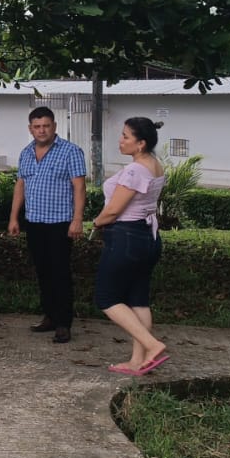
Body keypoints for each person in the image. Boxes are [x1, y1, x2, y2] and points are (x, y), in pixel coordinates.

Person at [92, 117, 169, 375]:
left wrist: (96, 222)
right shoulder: (155, 165)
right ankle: (138, 361)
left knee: (107, 298)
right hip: (148, 237)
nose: (121, 141)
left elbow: (113, 211)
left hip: (127, 237)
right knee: (138, 299)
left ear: (141, 143)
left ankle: (152, 344)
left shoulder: (135, 170)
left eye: (126, 136)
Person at [7, 106, 87, 343]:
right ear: (30, 129)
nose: (42, 130)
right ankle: (50, 316)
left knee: (60, 272)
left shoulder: (70, 151)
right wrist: (14, 217)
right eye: (37, 126)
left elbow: (79, 187)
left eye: (46, 126)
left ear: (54, 126)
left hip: (60, 223)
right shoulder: (26, 153)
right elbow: (21, 185)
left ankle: (63, 323)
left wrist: (77, 219)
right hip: (34, 222)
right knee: (43, 272)